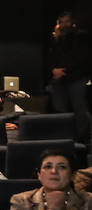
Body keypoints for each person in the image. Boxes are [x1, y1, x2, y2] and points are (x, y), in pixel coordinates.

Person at [47, 12, 90, 144]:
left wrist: (64, 70)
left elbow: (82, 58)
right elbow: (50, 57)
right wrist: (53, 70)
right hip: (59, 79)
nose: (64, 25)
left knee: (80, 108)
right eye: (61, 22)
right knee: (60, 109)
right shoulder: (56, 38)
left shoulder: (81, 36)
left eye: (66, 21)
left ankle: (85, 139)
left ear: (72, 22)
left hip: (76, 77)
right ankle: (64, 138)